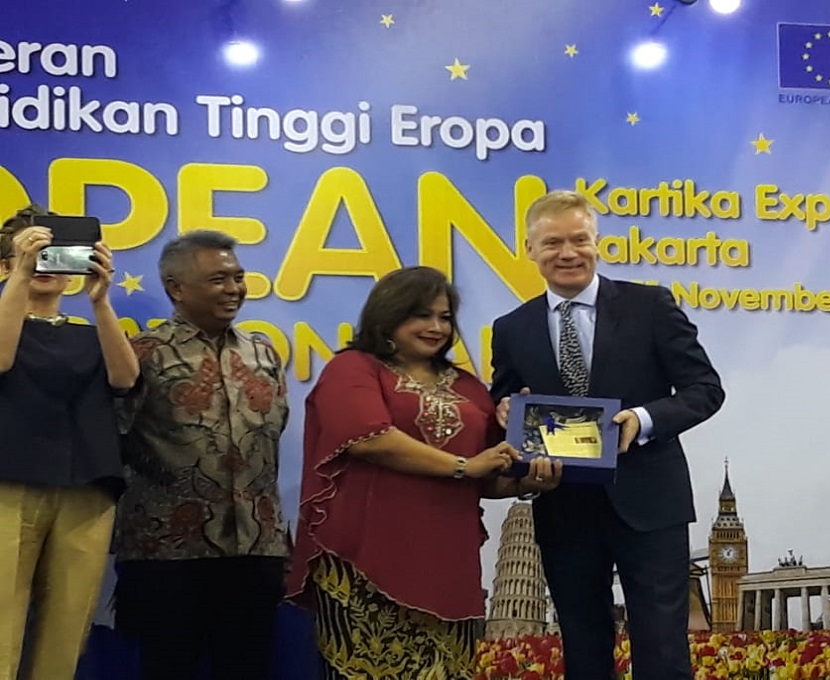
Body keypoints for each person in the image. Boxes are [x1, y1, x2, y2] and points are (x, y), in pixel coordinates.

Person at [490, 190, 725, 680]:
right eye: (552, 242)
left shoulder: (651, 306)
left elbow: (705, 389)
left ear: (598, 243)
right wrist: (505, 409)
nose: (568, 252)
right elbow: (506, 398)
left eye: (580, 239)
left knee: (662, 647)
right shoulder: (511, 328)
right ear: (530, 249)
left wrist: (643, 419)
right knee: (583, 646)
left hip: (649, 502)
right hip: (564, 504)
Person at [287, 266, 562, 680]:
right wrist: (464, 466)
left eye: (445, 317)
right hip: (366, 557)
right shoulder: (355, 369)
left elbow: (489, 474)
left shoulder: (469, 387)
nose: (436, 327)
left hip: (447, 559)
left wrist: (527, 480)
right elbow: (367, 438)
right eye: (422, 315)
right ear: (389, 315)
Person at [113, 230, 289, 680]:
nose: (233, 289)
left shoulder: (264, 354)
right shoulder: (141, 355)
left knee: (248, 668)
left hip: (256, 548)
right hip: (167, 553)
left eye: (238, 277)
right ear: (176, 287)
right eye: (217, 279)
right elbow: (115, 438)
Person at [0, 205, 138, 680]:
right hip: (8, 487)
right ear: (6, 264)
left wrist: (100, 300)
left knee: (68, 631)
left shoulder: (88, 333)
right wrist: (18, 278)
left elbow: (125, 377)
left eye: (55, 254)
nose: (44, 265)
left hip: (86, 490)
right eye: (33, 253)